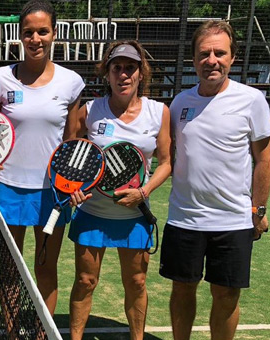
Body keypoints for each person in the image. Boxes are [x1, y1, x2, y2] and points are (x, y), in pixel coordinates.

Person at [159, 20, 270, 340]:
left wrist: (258, 210)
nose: (212, 60)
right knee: (182, 291)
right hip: (185, 219)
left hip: (233, 221)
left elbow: (264, 160)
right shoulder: (180, 102)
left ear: (232, 58)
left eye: (219, 53)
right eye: (204, 53)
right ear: (194, 60)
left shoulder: (252, 100)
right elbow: (166, 155)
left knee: (226, 296)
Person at [64, 41, 172, 340]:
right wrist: (72, 187)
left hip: (135, 215)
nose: (123, 75)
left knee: (136, 282)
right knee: (85, 281)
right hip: (92, 212)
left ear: (140, 73)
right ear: (107, 74)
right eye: (117, 68)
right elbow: (70, 154)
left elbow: (166, 162)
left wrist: (145, 191)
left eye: (130, 68)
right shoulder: (90, 110)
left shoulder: (158, 112)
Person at [0, 0, 85, 315]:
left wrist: (71, 184)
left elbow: (73, 140)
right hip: (9, 190)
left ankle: (43, 334)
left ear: (53, 34)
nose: (35, 39)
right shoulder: (0, 80)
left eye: (43, 31)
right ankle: (13, 334)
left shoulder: (70, 82)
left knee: (45, 269)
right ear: (20, 35)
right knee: (10, 270)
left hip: (52, 194)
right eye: (28, 32)